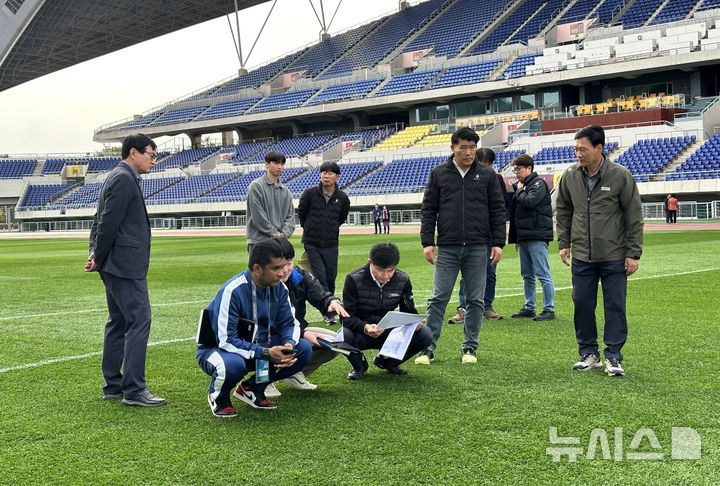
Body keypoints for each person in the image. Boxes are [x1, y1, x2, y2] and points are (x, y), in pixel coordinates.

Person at [556, 124, 643, 377]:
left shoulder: (620, 175)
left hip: (614, 255)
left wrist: (633, 253)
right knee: (582, 303)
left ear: (599, 148)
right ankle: (588, 353)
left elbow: (634, 215)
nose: (578, 153)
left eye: (583, 149)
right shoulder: (570, 176)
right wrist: (564, 243)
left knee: (615, 305)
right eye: (575, 149)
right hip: (582, 255)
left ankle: (613, 357)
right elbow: (563, 211)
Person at [85, 133, 165, 407]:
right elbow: (106, 221)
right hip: (124, 264)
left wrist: (96, 254)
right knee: (139, 321)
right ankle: (133, 390)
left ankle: (114, 386)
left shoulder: (117, 176)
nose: (154, 161)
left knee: (118, 322)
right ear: (134, 152)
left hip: (115, 262)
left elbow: (100, 220)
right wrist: (99, 255)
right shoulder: (122, 178)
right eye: (151, 155)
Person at [417, 127, 506, 365]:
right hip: (447, 247)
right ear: (453, 148)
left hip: (478, 247)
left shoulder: (487, 175)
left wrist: (498, 242)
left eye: (472, 147)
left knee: (476, 300)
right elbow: (428, 210)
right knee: (438, 298)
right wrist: (427, 242)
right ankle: (427, 348)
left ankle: (470, 348)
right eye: (464, 147)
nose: (469, 152)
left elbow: (498, 210)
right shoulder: (439, 174)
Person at [195, 237, 312, 417]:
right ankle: (218, 396)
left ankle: (252, 388)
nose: (282, 273)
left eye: (283, 267)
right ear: (257, 268)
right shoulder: (233, 290)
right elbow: (226, 340)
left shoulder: (280, 288)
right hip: (218, 349)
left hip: (260, 347)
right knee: (233, 366)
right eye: (276, 268)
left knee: (302, 349)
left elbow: (290, 323)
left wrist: (288, 345)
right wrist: (265, 353)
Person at [264, 238, 350, 397]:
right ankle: (264, 380)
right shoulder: (262, 282)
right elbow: (266, 324)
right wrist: (303, 334)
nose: (285, 270)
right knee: (297, 343)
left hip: (295, 330)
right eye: (279, 265)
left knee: (337, 343)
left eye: (288, 263)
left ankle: (292, 372)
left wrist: (331, 302)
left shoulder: (299, 276)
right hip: (268, 335)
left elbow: (321, 296)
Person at [341, 242, 433, 379]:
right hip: (362, 331)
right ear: (370, 262)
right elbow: (346, 317)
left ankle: (388, 362)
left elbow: (409, 311)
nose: (385, 275)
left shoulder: (402, 279)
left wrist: (415, 323)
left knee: (425, 334)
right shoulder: (353, 279)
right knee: (342, 335)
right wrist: (365, 327)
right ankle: (359, 365)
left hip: (389, 331)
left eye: (390, 270)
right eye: (380, 270)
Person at [448, 147, 506, 324]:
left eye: (487, 164)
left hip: (489, 233)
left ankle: (486, 306)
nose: (484, 167)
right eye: (481, 163)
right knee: (468, 272)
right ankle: (463, 307)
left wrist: (498, 239)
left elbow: (500, 208)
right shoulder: (464, 178)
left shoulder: (496, 179)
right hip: (471, 233)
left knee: (490, 272)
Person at [508, 154, 556, 321]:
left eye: (518, 169)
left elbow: (529, 202)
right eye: (514, 169)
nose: (516, 172)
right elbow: (515, 215)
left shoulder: (538, 184)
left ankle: (549, 309)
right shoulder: (524, 186)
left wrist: (519, 189)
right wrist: (516, 238)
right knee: (527, 274)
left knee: (542, 274)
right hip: (525, 236)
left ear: (529, 168)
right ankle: (530, 307)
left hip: (537, 235)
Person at [297, 161, 350, 295]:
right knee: (320, 277)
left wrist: (330, 228)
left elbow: (342, 217)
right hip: (312, 243)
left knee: (331, 277)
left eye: (330, 173)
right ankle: (328, 310)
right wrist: (310, 228)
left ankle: (330, 303)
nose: (326, 176)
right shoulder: (309, 193)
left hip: (331, 244)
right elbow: (302, 214)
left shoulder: (342, 197)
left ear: (337, 177)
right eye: (324, 172)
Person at [245, 150, 295, 253]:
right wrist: (273, 233)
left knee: (280, 269)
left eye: (282, 163)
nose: (280, 167)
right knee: (259, 269)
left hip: (280, 242)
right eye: (276, 163)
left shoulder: (286, 192)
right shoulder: (256, 187)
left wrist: (282, 235)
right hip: (259, 242)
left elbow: (291, 218)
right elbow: (258, 216)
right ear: (267, 164)